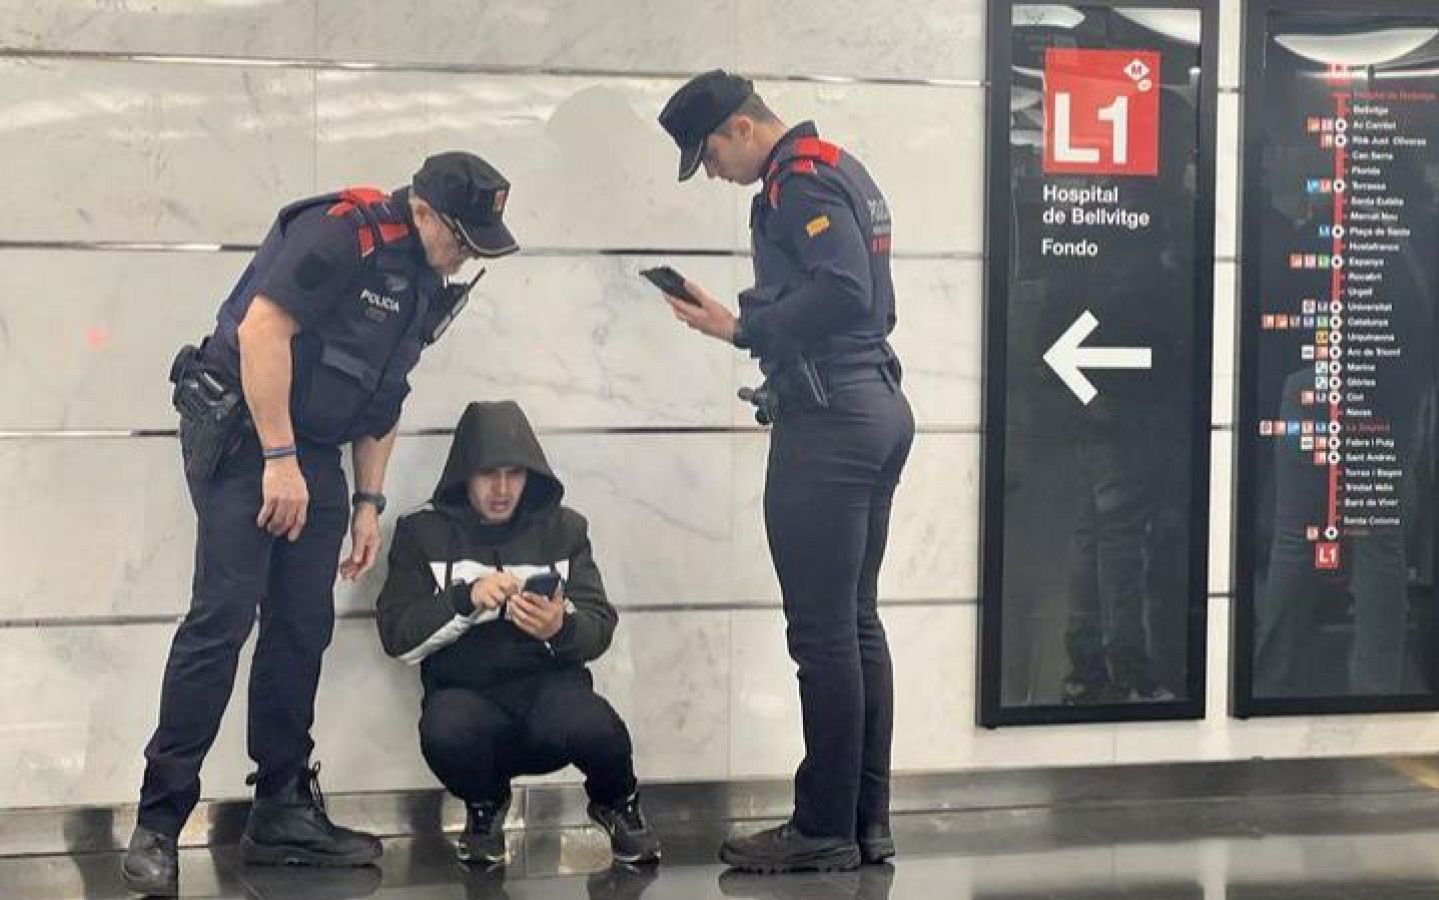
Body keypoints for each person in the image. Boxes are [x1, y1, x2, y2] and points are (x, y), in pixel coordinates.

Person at [122, 153, 520, 897]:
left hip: (313, 453)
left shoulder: (426, 281)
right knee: (221, 620)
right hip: (248, 436)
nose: (465, 253)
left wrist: (367, 502)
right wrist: (277, 458)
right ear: (425, 211)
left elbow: (384, 394)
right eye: (461, 236)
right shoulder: (344, 232)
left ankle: (279, 809)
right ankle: (158, 822)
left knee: (303, 625)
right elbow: (263, 333)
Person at [655, 70, 914, 873]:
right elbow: (876, 300)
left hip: (831, 422)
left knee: (825, 634)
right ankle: (865, 822)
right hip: (873, 404)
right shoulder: (841, 165)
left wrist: (744, 329)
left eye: (708, 154)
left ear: (739, 127)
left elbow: (844, 288)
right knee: (857, 626)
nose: (711, 172)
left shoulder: (795, 180)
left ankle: (823, 826)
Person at [375, 400, 660, 868]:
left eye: (515, 473)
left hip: (550, 694)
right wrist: (465, 600)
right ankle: (484, 808)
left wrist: (559, 626)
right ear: (464, 475)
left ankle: (618, 803)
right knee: (445, 728)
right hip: (466, 696)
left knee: (596, 725)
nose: (503, 488)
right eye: (489, 474)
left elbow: (599, 625)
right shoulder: (420, 533)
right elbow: (397, 636)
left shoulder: (565, 529)